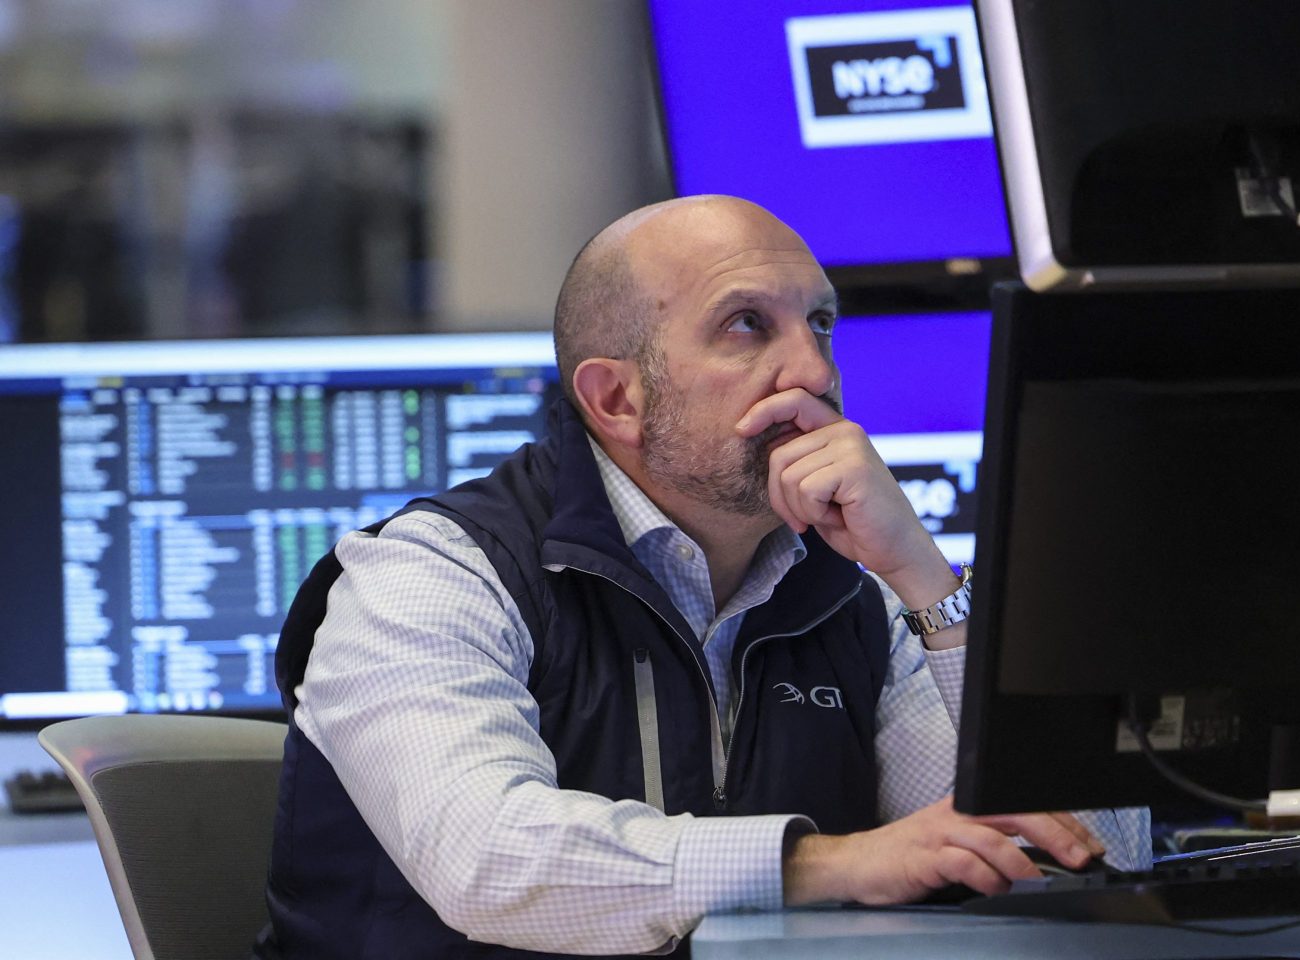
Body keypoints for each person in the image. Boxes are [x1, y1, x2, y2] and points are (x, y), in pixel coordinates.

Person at [254, 195, 1149, 959]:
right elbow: (488, 859)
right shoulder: (434, 572)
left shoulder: (859, 598)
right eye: (747, 325)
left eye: (821, 324)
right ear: (616, 398)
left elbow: (1087, 865)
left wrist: (921, 569)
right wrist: (829, 864)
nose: (815, 372)